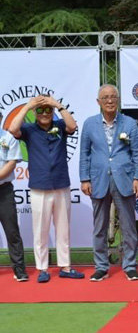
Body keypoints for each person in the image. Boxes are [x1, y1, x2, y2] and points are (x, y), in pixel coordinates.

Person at [9, 95, 84, 283]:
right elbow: (12, 129)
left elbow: (73, 126)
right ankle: (42, 268)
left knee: (63, 229)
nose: (44, 114)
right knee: (40, 230)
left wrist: (58, 105)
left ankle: (65, 266)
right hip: (39, 186)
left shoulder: (59, 125)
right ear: (35, 113)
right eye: (40, 111)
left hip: (61, 184)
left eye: (47, 110)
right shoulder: (28, 129)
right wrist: (28, 106)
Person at [79, 84, 138, 282]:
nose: (109, 100)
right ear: (98, 102)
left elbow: (136, 154)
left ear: (118, 100)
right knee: (99, 226)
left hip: (124, 179)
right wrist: (84, 178)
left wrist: (137, 178)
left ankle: (130, 265)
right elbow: (84, 153)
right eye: (105, 97)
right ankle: (101, 266)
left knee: (128, 226)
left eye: (113, 97)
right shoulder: (89, 124)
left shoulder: (130, 123)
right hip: (98, 180)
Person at [0, 111, 28, 282]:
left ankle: (19, 270)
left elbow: (12, 162)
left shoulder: (8, 138)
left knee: (12, 231)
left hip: (4, 190)